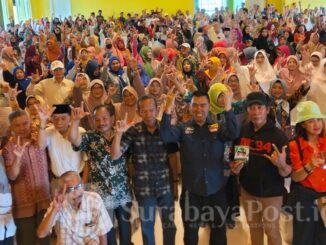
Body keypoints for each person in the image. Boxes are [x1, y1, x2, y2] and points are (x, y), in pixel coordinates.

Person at [160, 91, 239, 245]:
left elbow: (233, 132)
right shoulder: (183, 128)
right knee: (190, 235)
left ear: (209, 107)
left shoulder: (218, 126)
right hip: (192, 192)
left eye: (203, 105)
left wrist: (228, 106)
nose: (199, 109)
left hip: (217, 189)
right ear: (190, 107)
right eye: (195, 105)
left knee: (219, 234)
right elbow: (165, 135)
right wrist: (168, 107)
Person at [111, 95, 177, 245]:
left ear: (157, 109)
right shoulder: (133, 131)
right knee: (147, 228)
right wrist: (119, 133)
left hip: (165, 186)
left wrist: (175, 181)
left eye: (151, 110)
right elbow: (115, 155)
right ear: (139, 112)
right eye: (144, 111)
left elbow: (173, 157)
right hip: (144, 189)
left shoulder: (165, 129)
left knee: (169, 226)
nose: (148, 114)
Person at [231, 92, 292, 245]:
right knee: (254, 228)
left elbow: (287, 172)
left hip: (271, 193)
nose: (256, 111)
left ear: (266, 109)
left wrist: (281, 164)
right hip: (248, 190)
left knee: (271, 231)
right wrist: (236, 168)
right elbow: (240, 160)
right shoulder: (243, 131)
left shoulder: (278, 136)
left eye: (260, 107)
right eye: (252, 108)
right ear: (247, 110)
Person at [69, 103, 132, 245]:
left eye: (104, 118)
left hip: (122, 192)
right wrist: (75, 121)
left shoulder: (123, 133)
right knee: (107, 235)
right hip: (100, 196)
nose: (101, 123)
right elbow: (74, 139)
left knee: (126, 233)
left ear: (112, 118)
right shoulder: (90, 137)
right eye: (97, 119)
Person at [2, 110, 51, 245]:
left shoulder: (38, 140)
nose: (22, 128)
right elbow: (12, 176)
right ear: (11, 128)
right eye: (17, 125)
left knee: (44, 239)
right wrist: (17, 158)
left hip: (43, 200)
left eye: (25, 123)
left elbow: (42, 145)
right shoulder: (8, 149)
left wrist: (42, 121)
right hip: (23, 205)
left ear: (30, 124)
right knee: (26, 240)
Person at [37, 171, 112, 245]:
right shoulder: (58, 204)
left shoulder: (94, 199)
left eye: (78, 186)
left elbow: (102, 231)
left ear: (82, 184)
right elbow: (41, 234)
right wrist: (55, 209)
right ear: (62, 191)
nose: (76, 192)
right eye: (70, 189)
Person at [289, 101, 326, 245]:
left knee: (323, 237)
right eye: (311, 121)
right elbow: (296, 177)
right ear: (303, 125)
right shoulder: (294, 145)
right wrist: (309, 165)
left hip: (324, 197)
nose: (316, 124)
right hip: (305, 197)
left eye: (318, 120)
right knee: (303, 237)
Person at [35, 103, 86, 192]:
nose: (59, 122)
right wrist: (42, 121)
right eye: (55, 118)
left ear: (70, 118)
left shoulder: (80, 131)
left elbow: (87, 160)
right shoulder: (48, 131)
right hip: (58, 182)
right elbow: (40, 146)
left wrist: (83, 184)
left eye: (63, 118)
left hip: (78, 181)